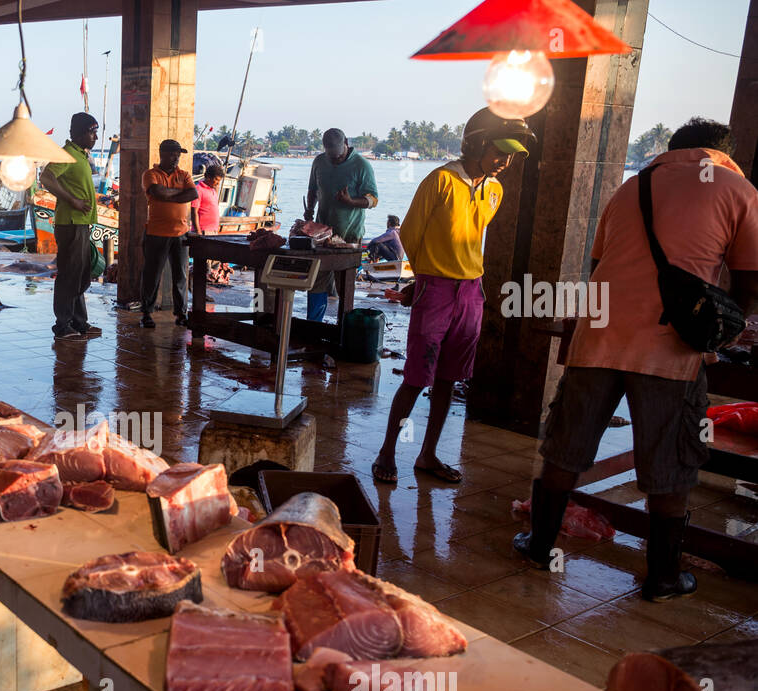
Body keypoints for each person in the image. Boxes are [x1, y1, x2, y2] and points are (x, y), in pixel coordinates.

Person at [516, 117, 758, 601]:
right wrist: (731, 324)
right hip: (669, 350)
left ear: (673, 150)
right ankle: (663, 576)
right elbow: (750, 281)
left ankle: (539, 546)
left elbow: (599, 264)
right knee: (669, 460)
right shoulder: (738, 189)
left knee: (567, 446)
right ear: (722, 154)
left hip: (598, 338)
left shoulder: (632, 186)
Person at [371, 108, 535, 485]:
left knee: (449, 379)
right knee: (416, 377)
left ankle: (428, 455)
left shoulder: (495, 190)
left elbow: (474, 238)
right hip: (437, 289)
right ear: (477, 144)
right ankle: (387, 451)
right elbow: (410, 235)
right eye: (499, 151)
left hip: (472, 292)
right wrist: (426, 278)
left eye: (510, 155)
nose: (504, 161)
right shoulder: (440, 180)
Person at [40, 111, 102, 340]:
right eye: (92, 132)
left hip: (82, 223)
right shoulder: (66, 154)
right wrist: (72, 200)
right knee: (69, 275)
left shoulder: (80, 155)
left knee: (81, 274)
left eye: (96, 132)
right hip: (71, 223)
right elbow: (46, 177)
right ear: (78, 133)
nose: (95, 137)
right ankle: (63, 325)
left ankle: (80, 322)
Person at [305, 128, 377, 322]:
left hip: (349, 236)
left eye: (338, 157)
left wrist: (351, 202)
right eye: (331, 157)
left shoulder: (362, 166)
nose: (335, 160)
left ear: (346, 143)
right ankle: (313, 328)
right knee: (316, 283)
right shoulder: (319, 162)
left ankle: (343, 330)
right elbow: (312, 189)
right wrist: (309, 212)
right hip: (321, 235)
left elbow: (373, 199)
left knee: (344, 288)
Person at [139, 138, 197, 328]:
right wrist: (178, 194)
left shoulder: (185, 174)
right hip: (156, 233)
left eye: (178, 154)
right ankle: (147, 312)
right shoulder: (150, 174)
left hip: (181, 234)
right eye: (173, 154)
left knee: (181, 275)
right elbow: (156, 191)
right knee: (152, 275)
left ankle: (181, 313)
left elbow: (192, 194)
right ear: (162, 154)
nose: (176, 158)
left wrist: (168, 193)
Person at [190, 163, 223, 235]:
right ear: (208, 177)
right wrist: (198, 231)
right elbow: (194, 211)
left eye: (219, 181)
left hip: (213, 231)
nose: (217, 183)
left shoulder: (213, 190)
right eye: (216, 180)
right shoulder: (198, 189)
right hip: (203, 231)